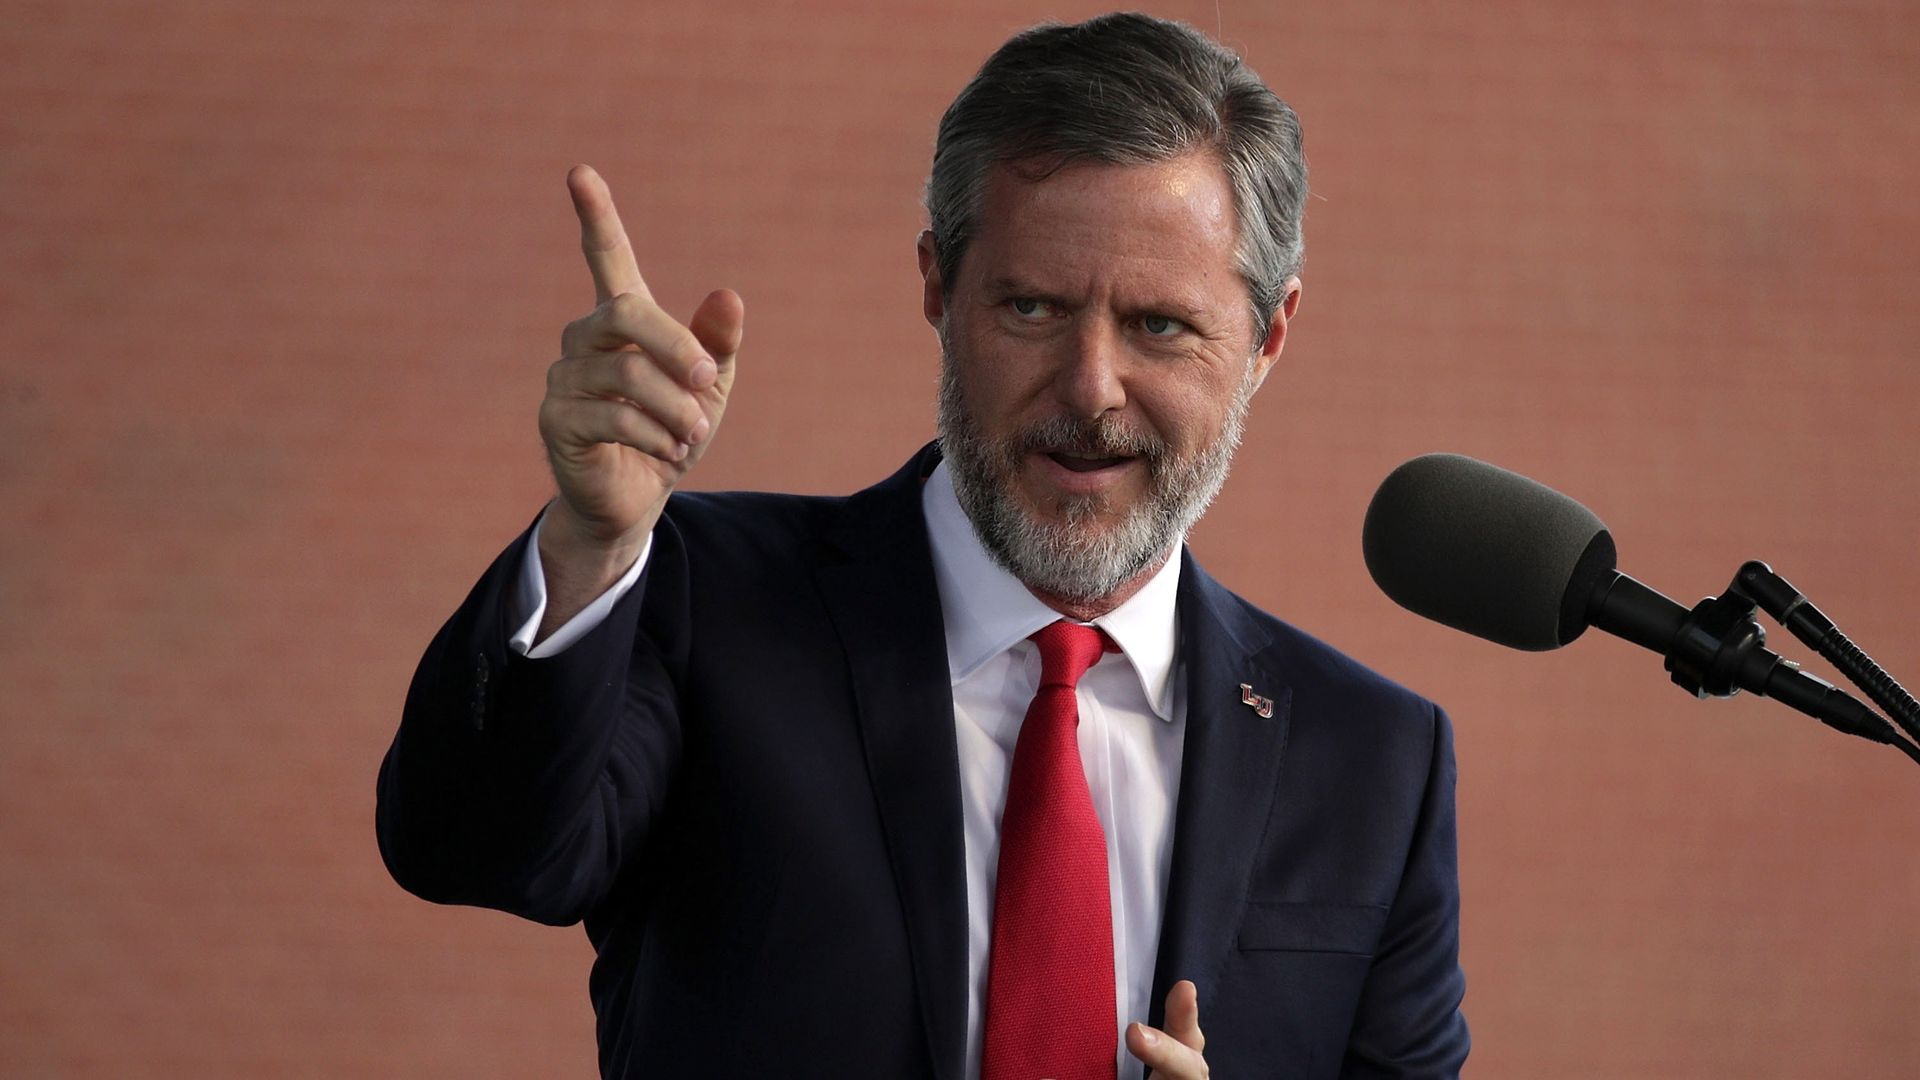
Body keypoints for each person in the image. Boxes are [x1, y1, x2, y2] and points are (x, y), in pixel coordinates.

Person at [377, 12, 1469, 1079]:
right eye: (1033, 307)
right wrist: (587, 543)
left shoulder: (1376, 762)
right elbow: (473, 849)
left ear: (1268, 336)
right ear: (938, 286)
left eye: (1159, 326)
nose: (1091, 389)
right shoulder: (702, 600)